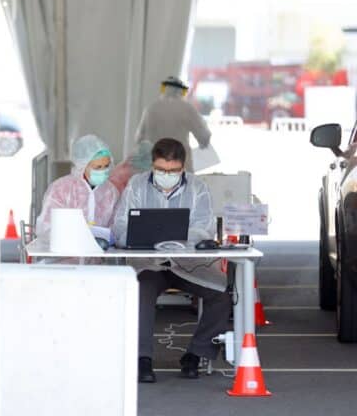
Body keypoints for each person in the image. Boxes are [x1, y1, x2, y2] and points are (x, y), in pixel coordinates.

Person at [113, 138, 230, 383]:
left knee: (221, 295)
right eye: (161, 170)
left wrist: (176, 240)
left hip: (188, 264)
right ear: (152, 165)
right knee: (141, 291)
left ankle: (195, 355)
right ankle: (142, 359)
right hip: (149, 264)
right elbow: (121, 225)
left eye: (173, 171)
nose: (167, 175)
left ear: (183, 168)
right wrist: (139, 239)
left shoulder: (198, 188)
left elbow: (204, 228)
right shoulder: (136, 185)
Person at [37, 134, 120, 239]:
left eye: (106, 166)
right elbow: (46, 227)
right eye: (97, 167)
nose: (103, 171)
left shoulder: (110, 192)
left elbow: (115, 227)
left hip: (98, 248)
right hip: (64, 247)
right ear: (83, 165)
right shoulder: (61, 189)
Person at [135, 76, 212, 171]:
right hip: (180, 164)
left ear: (164, 89)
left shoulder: (150, 108)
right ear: (181, 91)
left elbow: (139, 139)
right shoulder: (187, 109)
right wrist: (203, 145)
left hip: (155, 165)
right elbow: (204, 135)